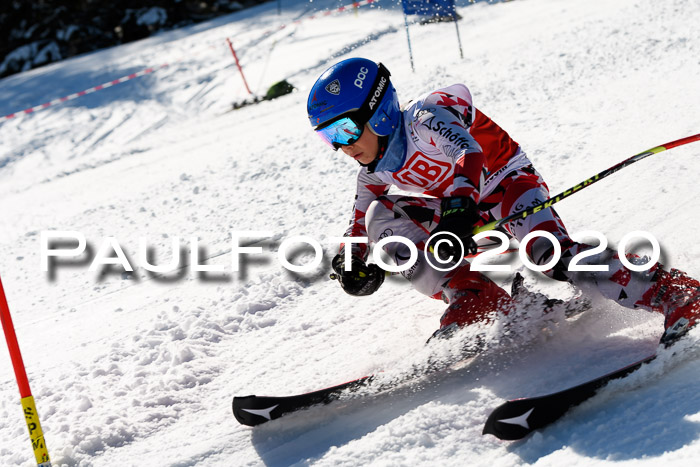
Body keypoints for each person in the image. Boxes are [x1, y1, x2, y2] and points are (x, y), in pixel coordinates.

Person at [307, 57, 700, 344]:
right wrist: (351, 262)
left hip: (509, 186)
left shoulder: (425, 119)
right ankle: (476, 297)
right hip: (464, 216)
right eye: (330, 138)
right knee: (380, 215)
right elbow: (358, 225)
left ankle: (675, 293)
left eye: (344, 129)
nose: (343, 146)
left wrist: (460, 207)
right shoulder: (372, 172)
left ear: (377, 113)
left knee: (552, 254)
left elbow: (468, 153)